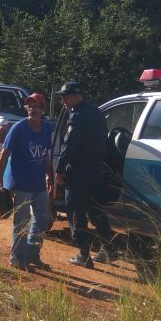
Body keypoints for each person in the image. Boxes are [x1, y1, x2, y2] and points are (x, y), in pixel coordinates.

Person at [54, 81, 114, 268]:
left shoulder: (77, 116)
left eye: (65, 96)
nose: (63, 101)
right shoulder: (96, 112)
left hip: (79, 171)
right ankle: (109, 249)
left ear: (76, 96)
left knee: (74, 211)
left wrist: (59, 169)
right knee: (96, 210)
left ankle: (83, 254)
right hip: (96, 170)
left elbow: (70, 145)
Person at [0, 92, 54, 270]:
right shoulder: (19, 128)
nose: (33, 109)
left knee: (43, 217)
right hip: (20, 181)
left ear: (43, 109)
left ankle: (32, 254)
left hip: (38, 182)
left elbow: (46, 155)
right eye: (30, 105)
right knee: (22, 220)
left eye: (36, 106)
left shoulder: (47, 128)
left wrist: (49, 175)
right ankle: (16, 258)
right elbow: (4, 154)